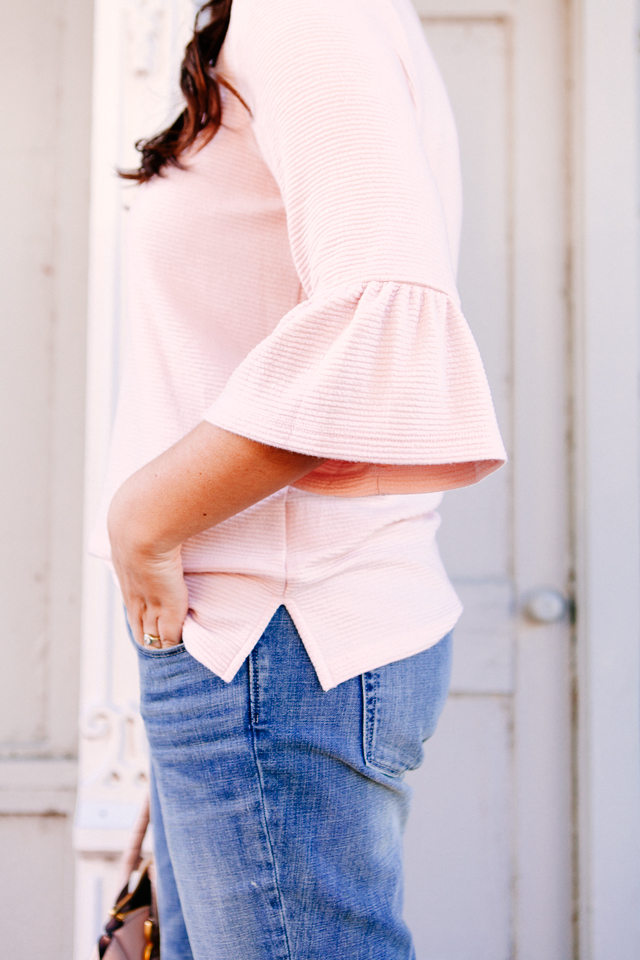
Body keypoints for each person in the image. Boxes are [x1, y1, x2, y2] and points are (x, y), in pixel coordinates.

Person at [90, 0, 506, 956]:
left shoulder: (308, 11)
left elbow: (376, 320)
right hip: (246, 645)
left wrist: (142, 519)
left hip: (274, 643)